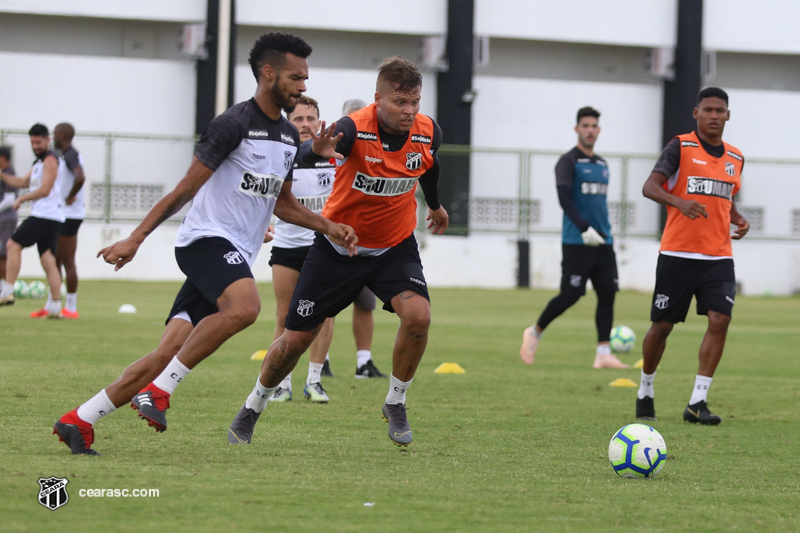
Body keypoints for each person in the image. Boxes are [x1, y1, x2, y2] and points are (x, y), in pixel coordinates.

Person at [52, 32, 356, 455]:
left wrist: (326, 225)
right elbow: (184, 189)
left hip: (231, 256)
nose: (303, 86)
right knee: (247, 307)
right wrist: (136, 238)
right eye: (295, 77)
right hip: (205, 242)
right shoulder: (232, 123)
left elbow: (283, 204)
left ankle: (79, 420)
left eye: (305, 78)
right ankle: (160, 392)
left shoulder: (288, 137)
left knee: (167, 353)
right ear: (268, 73)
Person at [228, 56, 449, 448]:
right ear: (378, 98)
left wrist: (433, 204)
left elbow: (429, 166)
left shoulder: (427, 131)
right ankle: (252, 406)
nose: (409, 110)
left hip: (393, 248)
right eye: (400, 102)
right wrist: (319, 149)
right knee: (294, 341)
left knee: (419, 316)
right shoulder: (353, 128)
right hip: (337, 249)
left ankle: (395, 402)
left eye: (415, 101)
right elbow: (313, 153)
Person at [636, 87, 748, 425]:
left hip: (718, 256)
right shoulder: (680, 147)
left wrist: (737, 218)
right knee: (662, 326)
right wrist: (679, 201)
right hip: (678, 253)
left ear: (728, 116)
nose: (714, 115)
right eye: (708, 109)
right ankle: (646, 387)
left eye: (720, 110)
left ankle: (697, 401)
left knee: (721, 319)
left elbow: (724, 197)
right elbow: (650, 187)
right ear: (696, 112)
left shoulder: (736, 158)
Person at [519, 107, 627, 369]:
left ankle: (603, 353)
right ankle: (534, 332)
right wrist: (582, 227)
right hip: (577, 241)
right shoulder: (568, 161)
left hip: (604, 241)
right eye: (586, 125)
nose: (590, 130)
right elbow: (564, 199)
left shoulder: (602, 165)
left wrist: (601, 232)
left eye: (594, 126)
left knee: (608, 293)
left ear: (598, 130)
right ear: (577, 129)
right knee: (571, 293)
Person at [268, 95, 336, 403]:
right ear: (289, 123)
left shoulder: (335, 157)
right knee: (284, 315)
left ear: (319, 122)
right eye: (299, 119)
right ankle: (281, 384)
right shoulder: (281, 156)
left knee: (324, 315)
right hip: (287, 247)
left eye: (311, 119)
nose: (306, 125)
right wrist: (262, 225)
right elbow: (265, 196)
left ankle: (314, 381)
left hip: (323, 248)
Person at [341, 97, 386, 380]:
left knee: (366, 303)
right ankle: (321, 363)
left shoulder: (376, 154)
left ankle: (363, 362)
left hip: (364, 243)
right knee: (324, 307)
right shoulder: (334, 155)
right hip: (334, 242)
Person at [0, 124, 66, 316]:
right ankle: (55, 307)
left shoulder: (51, 160)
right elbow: (21, 182)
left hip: (45, 214)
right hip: (50, 216)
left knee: (13, 245)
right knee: (48, 260)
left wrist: (22, 198)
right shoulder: (38, 163)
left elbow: (45, 190)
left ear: (47, 140)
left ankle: (7, 292)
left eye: (38, 142)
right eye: (32, 142)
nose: (35, 145)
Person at [31, 123, 86, 319]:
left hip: (70, 215)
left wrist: (70, 196)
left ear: (62, 135)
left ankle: (71, 307)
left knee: (67, 261)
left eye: (54, 134)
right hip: (65, 214)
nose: (53, 137)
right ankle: (50, 304)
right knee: (56, 261)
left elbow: (80, 177)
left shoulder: (70, 154)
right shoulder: (65, 154)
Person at [0, 146, 18, 287]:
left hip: (7, 218)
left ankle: (6, 286)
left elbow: (9, 199)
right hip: (3, 218)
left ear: (3, 158)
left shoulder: (9, 173)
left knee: (5, 252)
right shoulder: (4, 172)